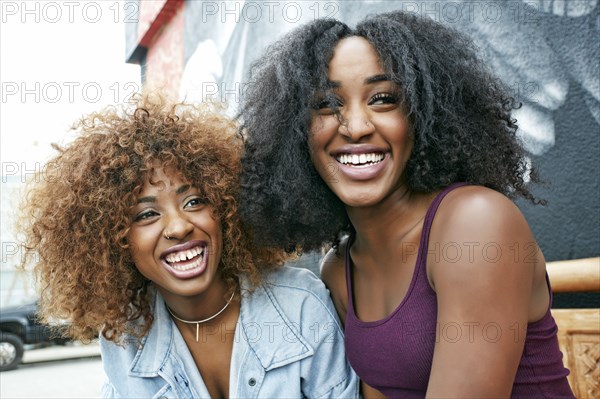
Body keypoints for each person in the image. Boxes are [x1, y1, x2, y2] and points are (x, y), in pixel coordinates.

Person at [238, 11, 575, 398]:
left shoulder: (475, 224)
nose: (356, 126)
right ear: (297, 134)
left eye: (382, 99)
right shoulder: (338, 268)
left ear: (422, 117)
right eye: (328, 105)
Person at [18, 94, 359, 398]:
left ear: (225, 210)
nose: (180, 226)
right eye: (148, 214)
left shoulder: (300, 305)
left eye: (195, 202)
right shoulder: (125, 338)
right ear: (115, 239)